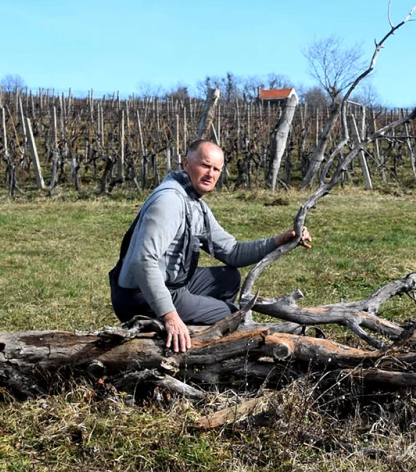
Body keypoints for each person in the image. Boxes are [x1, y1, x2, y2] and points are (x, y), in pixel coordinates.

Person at [109, 139, 311, 352]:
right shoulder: (169, 201)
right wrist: (170, 316)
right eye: (205, 165)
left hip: (171, 283)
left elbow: (233, 252)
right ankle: (180, 342)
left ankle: (192, 325)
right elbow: (143, 262)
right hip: (139, 297)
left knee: (228, 278)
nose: (210, 174)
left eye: (216, 169)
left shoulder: (193, 203)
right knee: (231, 315)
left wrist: (281, 239)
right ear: (186, 164)